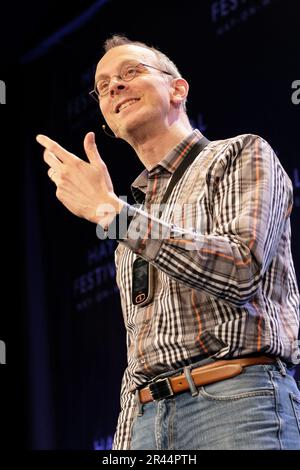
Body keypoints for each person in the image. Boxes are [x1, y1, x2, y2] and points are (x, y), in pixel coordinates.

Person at [36, 35, 300, 450]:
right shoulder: (130, 222)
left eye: (130, 73)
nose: (114, 87)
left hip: (234, 403)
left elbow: (241, 267)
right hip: (145, 422)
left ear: (177, 89)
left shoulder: (239, 153)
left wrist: (112, 214)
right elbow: (139, 361)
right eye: (103, 86)